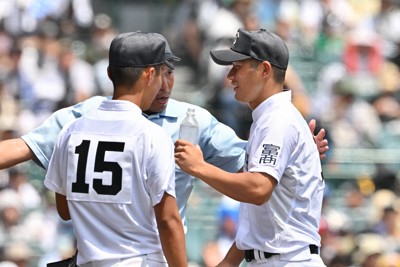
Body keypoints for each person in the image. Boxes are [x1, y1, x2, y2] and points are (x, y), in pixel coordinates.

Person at [0, 33, 328, 234]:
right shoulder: (84, 115)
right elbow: (21, 148)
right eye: (161, 73)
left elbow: (254, 167)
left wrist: (292, 149)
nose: (167, 83)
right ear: (147, 75)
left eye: (171, 73)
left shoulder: (191, 118)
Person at [175, 28, 327, 266]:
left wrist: (199, 167)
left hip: (288, 260)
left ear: (265, 70)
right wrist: (229, 262)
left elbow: (258, 189)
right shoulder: (270, 118)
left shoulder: (277, 119)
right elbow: (264, 216)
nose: (230, 75)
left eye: (238, 66)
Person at [44, 31, 187, 267]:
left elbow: (64, 209)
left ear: (110, 73)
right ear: (151, 74)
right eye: (162, 73)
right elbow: (168, 221)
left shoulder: (71, 131)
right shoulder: (151, 135)